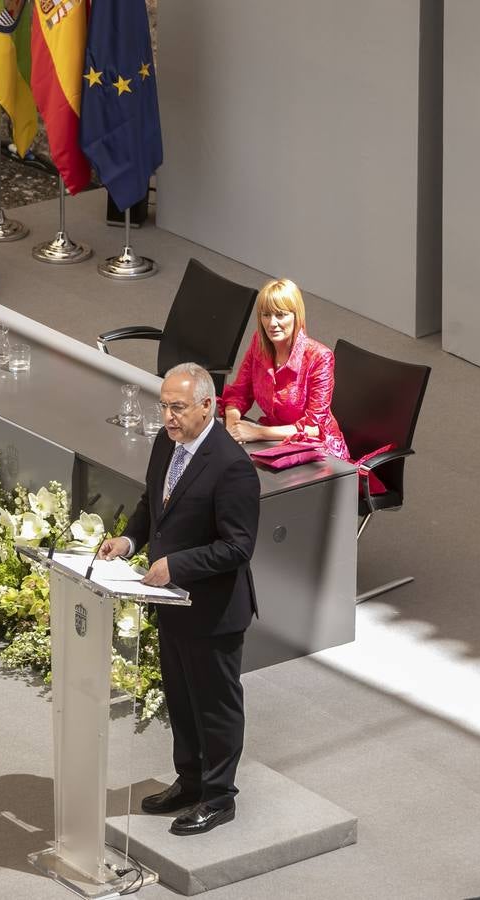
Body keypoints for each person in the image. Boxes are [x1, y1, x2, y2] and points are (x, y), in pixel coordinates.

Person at [97, 362, 259, 837]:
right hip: (171, 603)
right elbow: (154, 504)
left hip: (213, 609)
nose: (168, 416)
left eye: (179, 407)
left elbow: (238, 546)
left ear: (208, 406)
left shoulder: (232, 467)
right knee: (181, 700)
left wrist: (178, 565)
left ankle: (218, 796)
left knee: (215, 704)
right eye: (164, 406)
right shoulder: (166, 442)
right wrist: (129, 542)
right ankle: (189, 782)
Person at [221, 278, 350, 460]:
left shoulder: (320, 357)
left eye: (280, 315)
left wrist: (258, 433)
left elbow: (313, 428)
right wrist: (233, 427)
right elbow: (239, 393)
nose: (272, 323)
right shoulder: (259, 342)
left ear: (296, 315)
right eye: (266, 315)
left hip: (318, 452)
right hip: (275, 442)